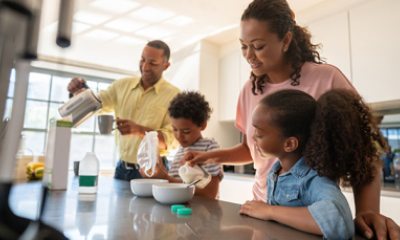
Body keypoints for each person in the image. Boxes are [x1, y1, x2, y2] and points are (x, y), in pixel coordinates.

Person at [184, 0, 400, 238]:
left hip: (307, 216)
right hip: (263, 209)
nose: (249, 55)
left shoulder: (326, 79)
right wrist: (210, 156)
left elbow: (364, 152)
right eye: (243, 46)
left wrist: (367, 213)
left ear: (286, 40)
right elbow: (252, 148)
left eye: (258, 46)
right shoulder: (250, 90)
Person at [240, 89, 381, 238]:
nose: (253, 138)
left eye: (259, 134)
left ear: (289, 144)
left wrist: (269, 211)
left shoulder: (313, 179)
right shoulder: (276, 172)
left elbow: (338, 220)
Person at [67, 40, 180, 181]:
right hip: (121, 169)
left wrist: (139, 130)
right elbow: (96, 103)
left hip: (153, 171)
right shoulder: (121, 86)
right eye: (142, 60)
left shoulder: (175, 96)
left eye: (153, 63)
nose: (145, 67)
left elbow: (172, 139)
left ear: (166, 66)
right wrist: (80, 91)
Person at [140, 91, 223, 199]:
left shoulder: (210, 148)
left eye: (186, 131)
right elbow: (175, 182)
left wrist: (166, 178)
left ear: (202, 125)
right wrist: (159, 174)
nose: (179, 136)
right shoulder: (181, 150)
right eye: (174, 129)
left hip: (202, 213)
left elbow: (209, 193)